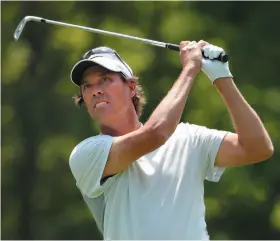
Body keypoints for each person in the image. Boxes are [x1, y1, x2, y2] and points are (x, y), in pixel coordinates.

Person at [68, 40, 273, 240]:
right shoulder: (86, 154)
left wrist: (221, 77)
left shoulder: (188, 138)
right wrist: (190, 69)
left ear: (131, 87)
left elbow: (257, 148)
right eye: (87, 86)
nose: (95, 90)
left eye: (105, 79)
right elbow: (155, 134)